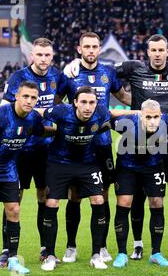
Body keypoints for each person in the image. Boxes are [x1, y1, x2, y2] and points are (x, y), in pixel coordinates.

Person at [64, 34, 168, 260]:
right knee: (138, 195)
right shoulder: (133, 68)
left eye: (162, 50)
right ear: (147, 51)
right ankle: (138, 244)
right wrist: (76, 63)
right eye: (154, 50)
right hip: (137, 141)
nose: (158, 54)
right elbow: (103, 69)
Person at [56, 32, 131, 264]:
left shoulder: (108, 72)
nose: (90, 50)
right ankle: (71, 246)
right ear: (79, 49)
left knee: (103, 195)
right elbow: (56, 105)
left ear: (100, 49)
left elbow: (124, 97)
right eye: (86, 46)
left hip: (102, 144)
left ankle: (102, 246)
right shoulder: (69, 74)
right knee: (75, 196)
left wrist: (150, 105)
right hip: (75, 146)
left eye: (94, 46)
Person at [0, 38, 64, 266]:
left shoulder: (59, 76)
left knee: (44, 198)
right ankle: (7, 250)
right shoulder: (18, 78)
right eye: (39, 54)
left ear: (52, 56)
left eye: (47, 55)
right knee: (13, 200)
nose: (43, 59)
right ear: (31, 55)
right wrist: (43, 110)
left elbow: (65, 102)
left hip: (47, 152)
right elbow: (6, 108)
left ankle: (46, 249)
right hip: (18, 151)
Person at [0, 81, 46, 275]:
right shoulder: (0, 115)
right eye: (26, 97)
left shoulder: (33, 118)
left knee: (13, 210)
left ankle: (12, 259)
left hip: (8, 169)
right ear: (17, 97)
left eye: (33, 98)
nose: (29, 101)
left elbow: (43, 131)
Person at [110, 99, 168, 268]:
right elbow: (107, 114)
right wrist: (133, 112)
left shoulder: (166, 121)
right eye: (148, 117)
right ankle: (122, 254)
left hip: (153, 166)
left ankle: (156, 253)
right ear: (141, 116)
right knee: (124, 204)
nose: (152, 121)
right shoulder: (125, 124)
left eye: (156, 116)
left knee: (157, 203)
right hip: (127, 167)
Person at [39, 86, 112, 271]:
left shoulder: (101, 112)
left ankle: (96, 254)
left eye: (92, 102)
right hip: (59, 162)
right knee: (52, 203)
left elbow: (117, 114)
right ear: (75, 103)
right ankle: (51, 255)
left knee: (98, 199)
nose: (88, 107)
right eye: (84, 102)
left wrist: (142, 112)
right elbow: (39, 111)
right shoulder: (61, 111)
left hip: (87, 163)